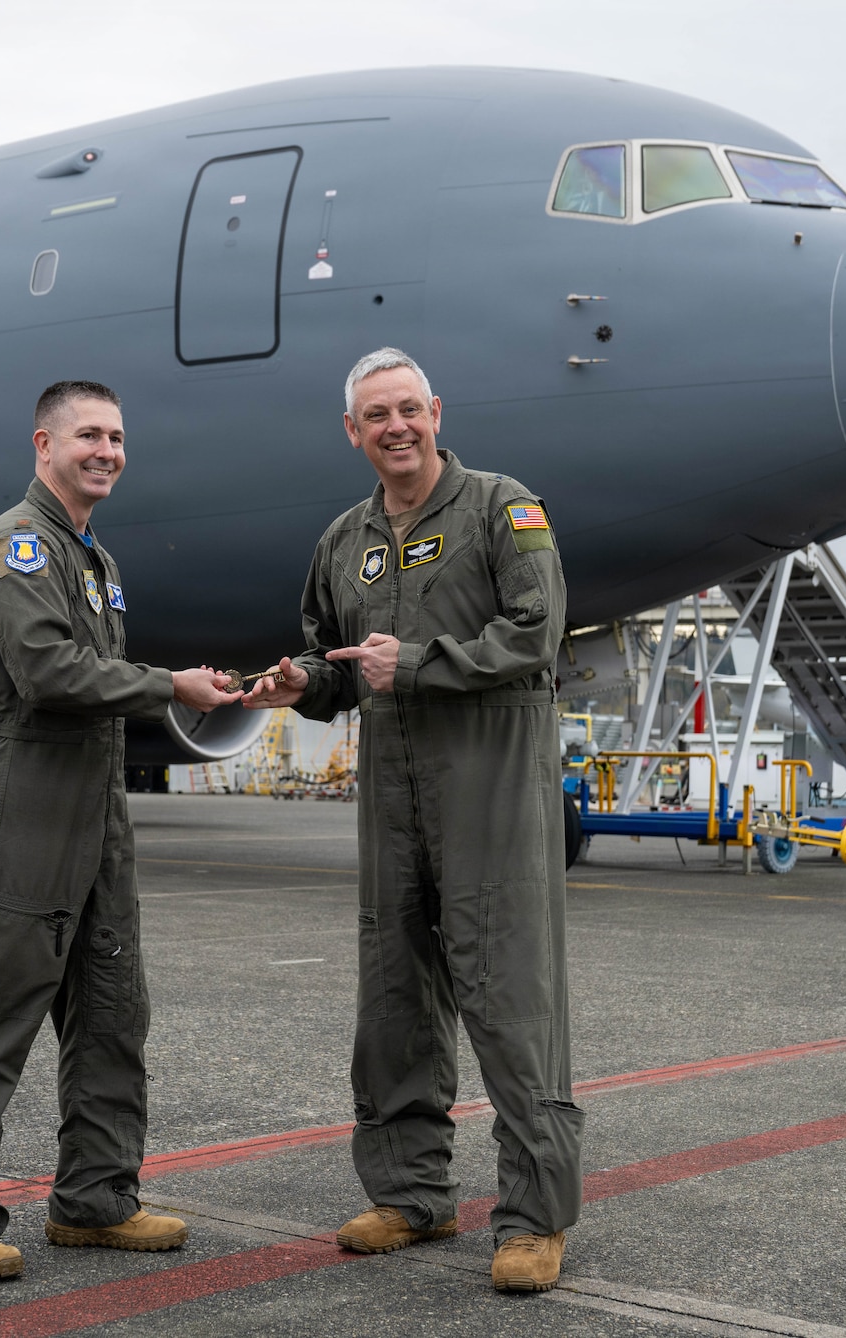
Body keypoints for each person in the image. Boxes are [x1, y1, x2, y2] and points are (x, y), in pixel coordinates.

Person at [244, 348, 582, 1292]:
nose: (396, 428)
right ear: (353, 433)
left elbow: (536, 632)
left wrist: (422, 662)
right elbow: (339, 660)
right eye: (375, 417)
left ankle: (534, 1217)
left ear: (436, 410)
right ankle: (411, 1195)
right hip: (393, 799)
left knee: (509, 1000)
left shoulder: (502, 509)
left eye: (408, 409)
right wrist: (300, 681)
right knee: (393, 997)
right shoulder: (344, 538)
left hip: (491, 788)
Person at [0, 380, 240, 1283]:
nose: (107, 450)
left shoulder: (93, 558)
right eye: (88, 435)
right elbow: (48, 671)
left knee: (110, 1009)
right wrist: (169, 685)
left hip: (95, 801)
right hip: (26, 795)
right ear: (43, 445)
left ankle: (96, 1201)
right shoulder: (19, 547)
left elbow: (86, 672)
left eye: (118, 437)